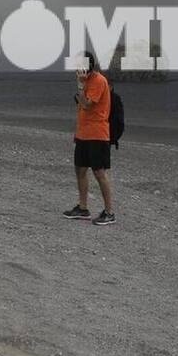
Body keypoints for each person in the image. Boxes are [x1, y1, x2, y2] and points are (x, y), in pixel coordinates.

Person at [63, 50, 116, 225]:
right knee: (80, 169)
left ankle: (109, 212)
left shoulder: (98, 81)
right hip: (84, 133)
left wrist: (80, 86)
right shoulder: (86, 81)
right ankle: (83, 207)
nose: (77, 69)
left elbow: (86, 105)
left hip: (97, 134)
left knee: (99, 172)